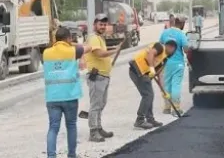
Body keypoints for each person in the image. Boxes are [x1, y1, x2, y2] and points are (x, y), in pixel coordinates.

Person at [43, 27, 92, 158]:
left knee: (53, 127)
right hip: (70, 96)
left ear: (55, 39)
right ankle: (71, 155)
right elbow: (89, 47)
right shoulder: (72, 51)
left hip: (52, 97)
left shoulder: (46, 53)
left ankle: (51, 156)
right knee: (71, 126)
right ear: (69, 39)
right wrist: (72, 44)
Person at [84, 14, 120, 142]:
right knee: (95, 105)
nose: (103, 27)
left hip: (103, 76)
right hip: (96, 76)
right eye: (101, 24)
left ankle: (98, 127)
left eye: (105, 25)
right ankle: (93, 132)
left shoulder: (100, 38)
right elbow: (98, 53)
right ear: (95, 25)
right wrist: (114, 50)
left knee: (101, 104)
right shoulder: (94, 38)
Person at [128, 41, 176, 129]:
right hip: (137, 69)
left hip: (145, 74)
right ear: (170, 47)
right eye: (173, 50)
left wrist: (164, 91)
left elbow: (158, 74)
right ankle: (140, 120)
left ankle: (150, 119)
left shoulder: (165, 58)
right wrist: (151, 68)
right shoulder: (160, 47)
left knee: (149, 95)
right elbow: (149, 55)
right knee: (148, 95)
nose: (173, 52)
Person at [159, 17, 191, 117]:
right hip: (178, 64)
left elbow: (160, 46)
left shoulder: (165, 32)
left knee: (167, 85)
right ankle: (176, 108)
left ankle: (167, 108)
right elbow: (186, 49)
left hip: (166, 63)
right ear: (181, 24)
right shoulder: (181, 34)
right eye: (184, 23)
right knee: (176, 85)